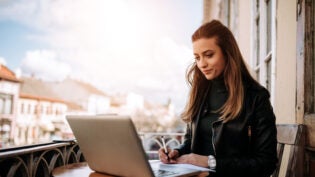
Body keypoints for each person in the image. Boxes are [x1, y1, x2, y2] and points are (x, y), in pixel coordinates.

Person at [158, 20, 278, 177]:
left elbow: (266, 163)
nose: (202, 64)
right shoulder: (199, 93)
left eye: (209, 55)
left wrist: (209, 162)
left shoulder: (256, 97)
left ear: (227, 53)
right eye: (197, 57)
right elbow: (191, 141)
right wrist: (177, 152)